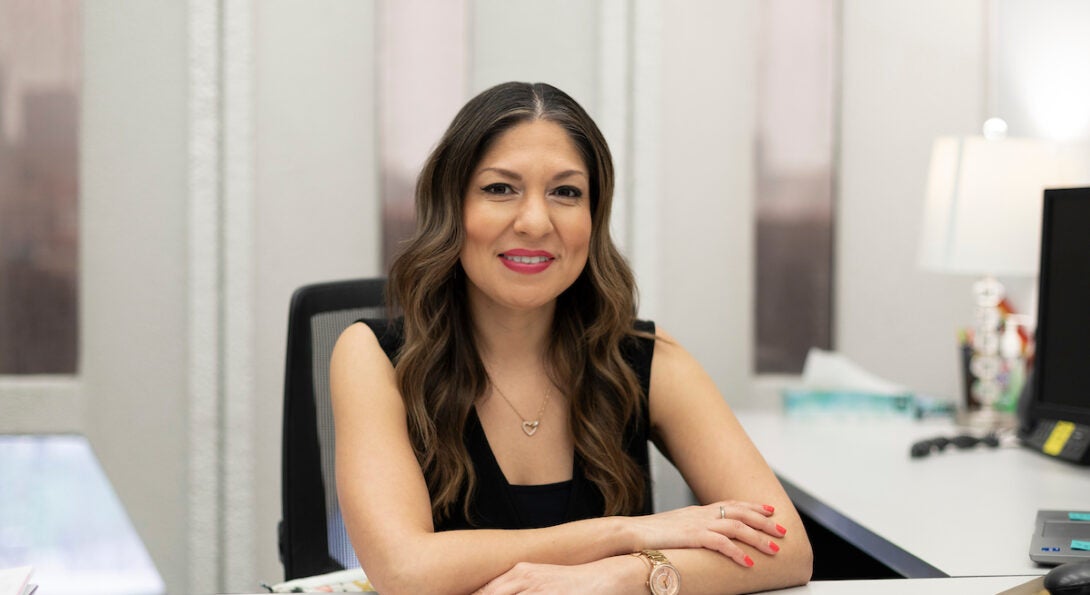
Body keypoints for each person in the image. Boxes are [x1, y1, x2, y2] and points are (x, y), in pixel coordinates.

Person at [330, 81, 813, 595]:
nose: (536, 222)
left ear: (592, 216)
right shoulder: (373, 355)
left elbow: (788, 550)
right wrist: (627, 532)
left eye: (566, 192)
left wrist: (626, 573)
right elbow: (406, 572)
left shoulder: (644, 358)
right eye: (499, 188)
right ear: (453, 208)